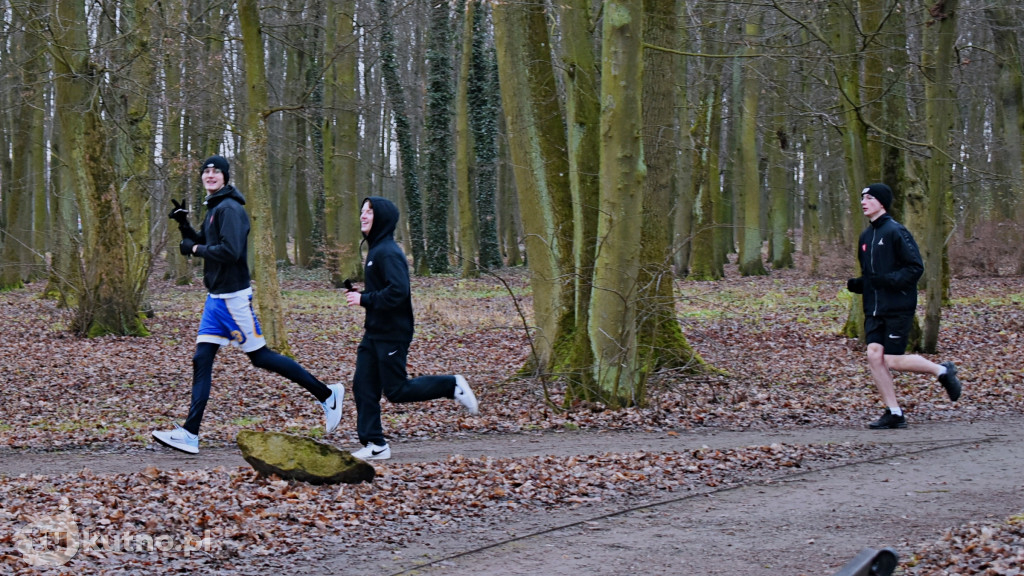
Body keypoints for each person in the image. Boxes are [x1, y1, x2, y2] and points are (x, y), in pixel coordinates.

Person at [153, 155, 343, 454]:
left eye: (217, 171)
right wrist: (184, 225)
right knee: (202, 359)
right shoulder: (216, 207)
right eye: (206, 171)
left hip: (233, 298)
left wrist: (196, 248)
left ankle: (327, 394)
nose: (210, 174)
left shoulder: (230, 209)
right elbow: (204, 240)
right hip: (216, 299)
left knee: (260, 357)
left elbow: (230, 251)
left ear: (226, 177)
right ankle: (190, 433)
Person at [344, 196, 478, 460]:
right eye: (361, 211)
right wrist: (365, 297)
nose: (363, 215)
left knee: (396, 391)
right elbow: (387, 290)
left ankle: (452, 385)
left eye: (369, 211)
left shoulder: (388, 252)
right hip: (375, 332)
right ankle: (376, 444)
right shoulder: (376, 250)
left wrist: (365, 299)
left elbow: (398, 292)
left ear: (382, 217)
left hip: (393, 333)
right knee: (363, 386)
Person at [846, 183, 961, 429]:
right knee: (873, 356)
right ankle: (894, 412)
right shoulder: (866, 236)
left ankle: (942, 370)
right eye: (862, 198)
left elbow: (914, 269)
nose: (864, 201)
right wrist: (862, 284)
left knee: (893, 360)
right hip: (874, 308)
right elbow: (872, 276)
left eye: (869, 198)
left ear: (882, 203)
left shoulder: (896, 231)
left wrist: (884, 281)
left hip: (898, 306)